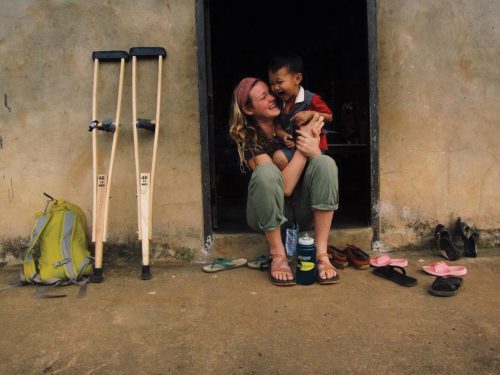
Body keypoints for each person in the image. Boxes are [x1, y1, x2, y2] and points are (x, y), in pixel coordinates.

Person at [229, 77, 339, 286]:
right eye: (263, 97)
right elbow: (285, 188)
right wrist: (303, 151)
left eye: (270, 93)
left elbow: (320, 172)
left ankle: (321, 254)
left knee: (325, 163)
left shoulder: (293, 121)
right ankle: (278, 255)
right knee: (266, 171)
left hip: (302, 213)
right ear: (249, 110)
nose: (272, 98)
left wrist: (314, 150)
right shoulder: (248, 137)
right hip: (266, 216)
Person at [267, 54, 333, 170]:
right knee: (277, 158)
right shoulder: (278, 103)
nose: (275, 88)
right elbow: (277, 127)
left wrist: (311, 114)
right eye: (272, 83)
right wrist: (284, 136)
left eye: (280, 82)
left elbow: (329, 117)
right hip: (291, 147)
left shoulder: (311, 99)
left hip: (312, 147)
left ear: (297, 79)